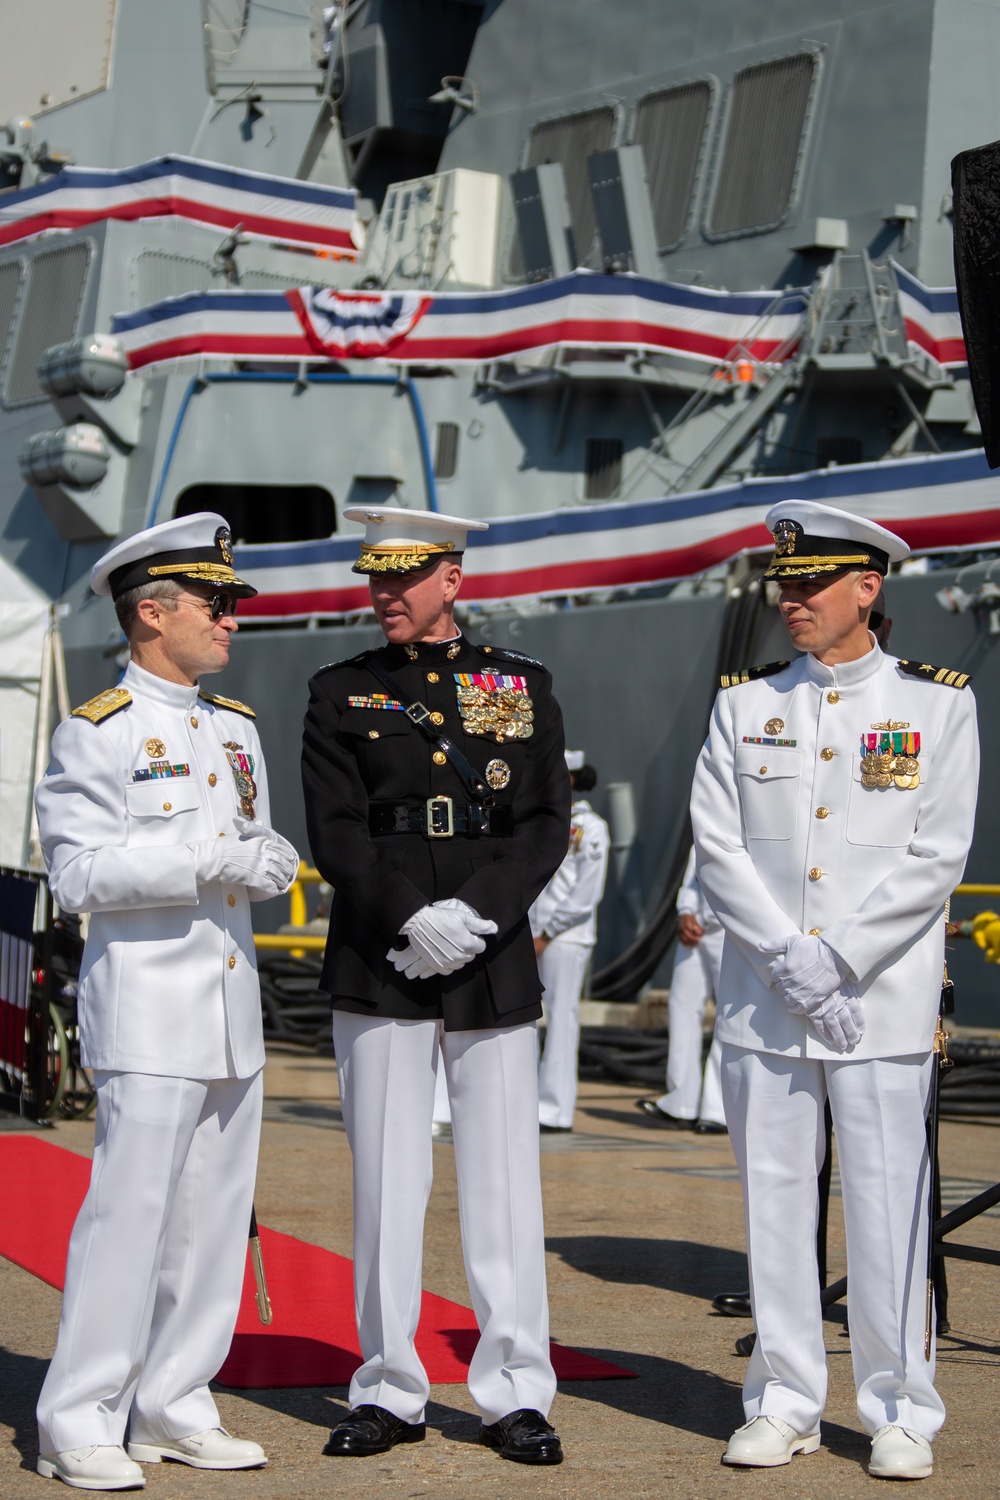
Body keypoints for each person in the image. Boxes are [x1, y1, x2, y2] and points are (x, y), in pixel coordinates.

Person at [690, 500, 978, 1481]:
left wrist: (841, 960)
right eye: (786, 582)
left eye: (812, 583)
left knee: (890, 1201)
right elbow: (718, 846)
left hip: (878, 1003)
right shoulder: (744, 706)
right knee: (773, 1202)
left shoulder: (937, 706)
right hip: (769, 999)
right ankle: (783, 1398)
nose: (792, 598)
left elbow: (935, 856)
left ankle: (899, 1405)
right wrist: (790, 958)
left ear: (869, 586)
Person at [33, 513, 299, 1492]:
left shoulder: (234, 728)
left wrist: (263, 858)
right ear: (153, 612)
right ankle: (78, 1418)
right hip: (147, 1008)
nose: (231, 620)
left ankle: (174, 1405)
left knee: (213, 1220)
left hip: (228, 1009)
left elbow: (253, 843)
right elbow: (77, 873)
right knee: (130, 1217)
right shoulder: (97, 730)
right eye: (215, 603)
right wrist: (205, 857)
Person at [301, 506, 570, 1466]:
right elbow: (334, 830)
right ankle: (386, 1385)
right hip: (383, 954)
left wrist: (473, 918)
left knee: (503, 1183)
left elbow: (544, 822)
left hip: (489, 956)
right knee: (386, 1181)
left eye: (403, 579)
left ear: (450, 580)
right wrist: (412, 916)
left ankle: (513, 1392)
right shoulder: (340, 690)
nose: (383, 596)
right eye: (375, 579)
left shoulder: (521, 685)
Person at [530, 751, 610, 1132]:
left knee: (561, 1017)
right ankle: (525, 1101)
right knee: (524, 1021)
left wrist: (546, 933)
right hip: (531, 935)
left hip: (565, 937)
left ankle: (555, 1109)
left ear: (573, 779)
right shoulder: (540, 820)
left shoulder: (590, 828)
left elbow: (586, 892)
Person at [635, 845, 726, 1133]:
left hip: (729, 929)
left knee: (730, 1015)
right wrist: (686, 912)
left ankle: (718, 1109)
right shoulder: (708, 823)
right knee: (682, 1007)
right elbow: (692, 876)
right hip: (695, 930)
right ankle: (681, 1101)